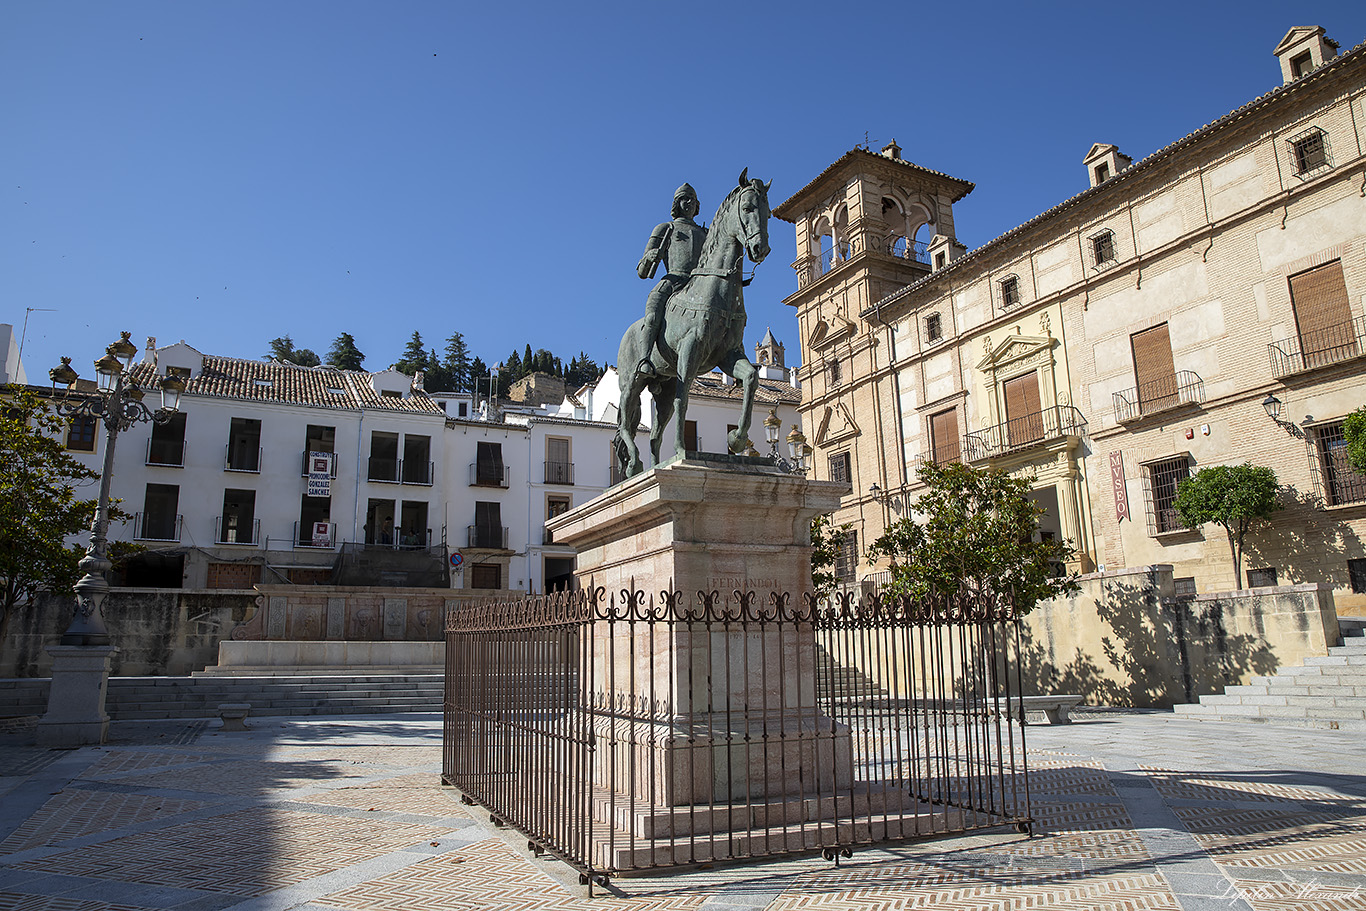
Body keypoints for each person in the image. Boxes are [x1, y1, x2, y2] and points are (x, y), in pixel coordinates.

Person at [636, 183, 707, 376]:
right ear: (676, 203)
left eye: (692, 199)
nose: (689, 203)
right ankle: (644, 359)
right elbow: (642, 271)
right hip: (673, 280)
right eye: (684, 198)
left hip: (699, 286)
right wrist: (650, 257)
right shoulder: (665, 228)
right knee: (652, 314)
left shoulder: (706, 234)